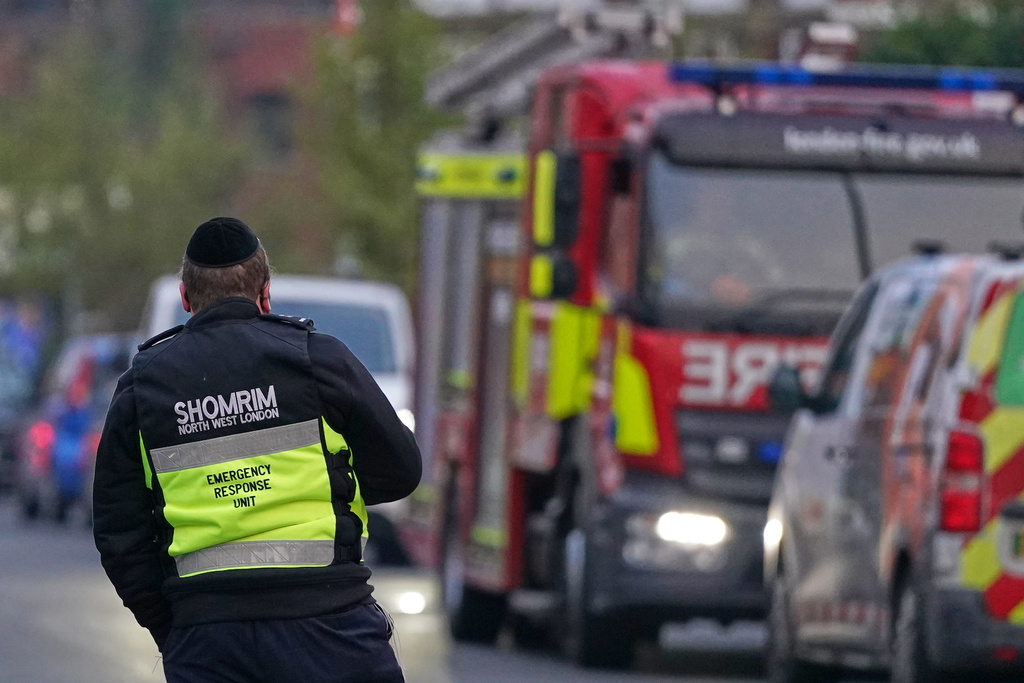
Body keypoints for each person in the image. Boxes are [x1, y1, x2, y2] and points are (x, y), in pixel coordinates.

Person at [93, 217, 421, 683]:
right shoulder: (318, 360)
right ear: (265, 291)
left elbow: (117, 533)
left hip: (208, 641)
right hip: (332, 627)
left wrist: (177, 628)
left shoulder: (141, 389)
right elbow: (402, 471)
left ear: (187, 300)